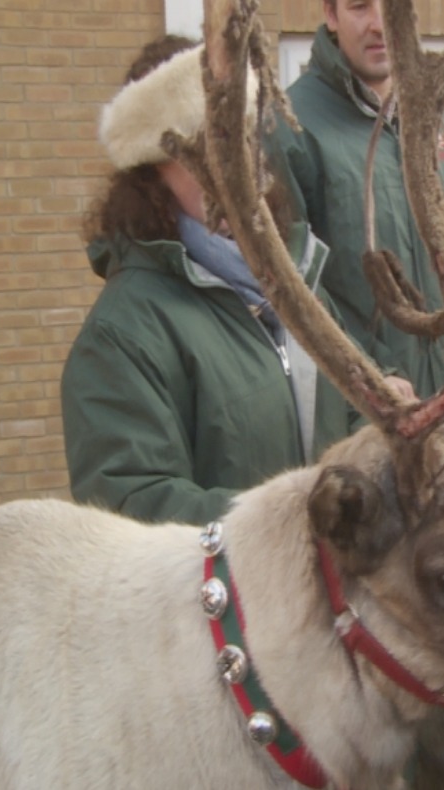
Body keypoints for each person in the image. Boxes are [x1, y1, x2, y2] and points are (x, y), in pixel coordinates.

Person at [63, 36, 361, 525]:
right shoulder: (123, 335)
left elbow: (351, 409)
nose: (233, 167)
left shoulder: (299, 287)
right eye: (201, 147)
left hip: (322, 591)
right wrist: (297, 515)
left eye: (242, 137)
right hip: (220, 599)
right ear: (152, 171)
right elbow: (133, 503)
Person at [272, 0, 444, 399]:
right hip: (366, 409)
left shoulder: (439, 119)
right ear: (331, 15)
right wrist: (367, 370)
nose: (379, 25)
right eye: (360, 7)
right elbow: (293, 278)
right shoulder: (292, 126)